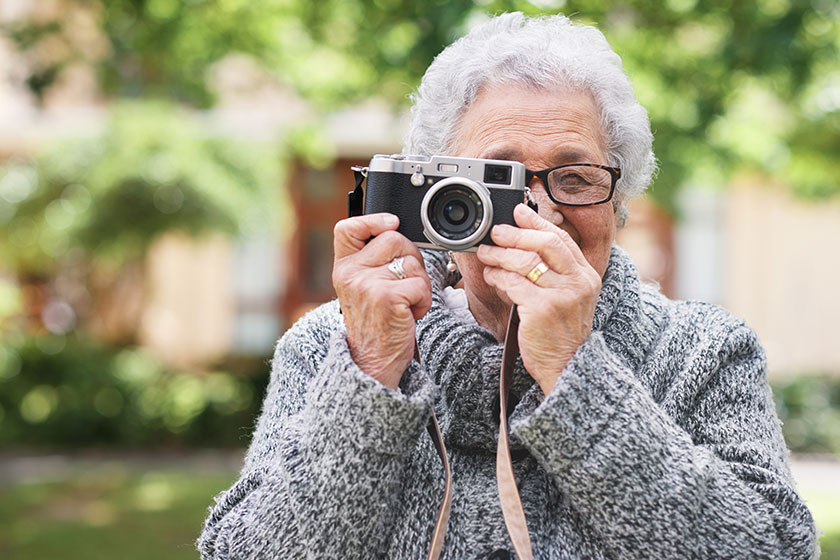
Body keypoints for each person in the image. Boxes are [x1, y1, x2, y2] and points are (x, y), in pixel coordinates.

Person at [198, 12, 817, 560]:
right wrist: (372, 373)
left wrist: (578, 375)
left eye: (575, 178)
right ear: (437, 196)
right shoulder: (333, 345)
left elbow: (774, 550)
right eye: (501, 180)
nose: (542, 212)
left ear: (618, 201)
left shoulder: (701, 352)